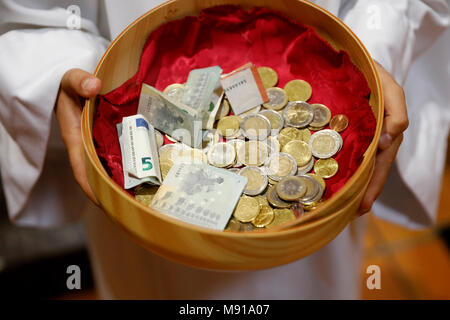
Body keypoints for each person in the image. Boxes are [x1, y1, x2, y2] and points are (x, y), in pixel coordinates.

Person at [0, 0, 448, 299]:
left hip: (314, 208)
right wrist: (63, 64)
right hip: (141, 202)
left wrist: (373, 54)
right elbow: (38, 13)